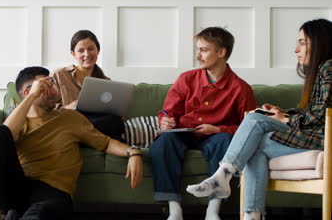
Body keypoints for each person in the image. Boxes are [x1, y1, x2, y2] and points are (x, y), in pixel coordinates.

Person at [186, 19, 332, 220]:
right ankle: (249, 213)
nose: (295, 49)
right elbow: (315, 112)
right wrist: (284, 114)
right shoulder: (322, 70)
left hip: (324, 138)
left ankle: (227, 181)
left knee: (254, 123)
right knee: (255, 131)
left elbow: (320, 117)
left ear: (320, 42)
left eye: (302, 42)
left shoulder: (328, 68)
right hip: (316, 133)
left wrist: (286, 120)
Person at [0, 66, 143, 220]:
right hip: (18, 188)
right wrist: (32, 97)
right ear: (28, 92)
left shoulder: (71, 118)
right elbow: (4, 135)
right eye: (46, 86)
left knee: (40, 212)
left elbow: (106, 143)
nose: (54, 90)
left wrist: (133, 152)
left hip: (54, 194)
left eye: (52, 83)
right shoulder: (18, 121)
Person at [149, 27, 257, 220]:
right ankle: (174, 209)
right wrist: (165, 121)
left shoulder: (241, 89)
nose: (198, 55)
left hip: (215, 137)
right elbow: (168, 111)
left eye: (204, 50)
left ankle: (213, 209)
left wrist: (218, 129)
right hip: (182, 134)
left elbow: (248, 130)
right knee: (163, 142)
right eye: (197, 49)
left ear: (221, 52)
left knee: (225, 140)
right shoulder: (186, 79)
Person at [51, 30, 124, 141]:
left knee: (116, 121)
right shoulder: (59, 75)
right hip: (70, 124)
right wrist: (68, 107)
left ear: (98, 50)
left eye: (91, 49)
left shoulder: (106, 82)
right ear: (73, 54)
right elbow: (46, 111)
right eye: (81, 51)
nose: (87, 54)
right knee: (114, 126)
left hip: (96, 124)